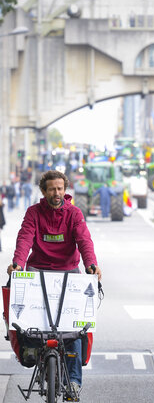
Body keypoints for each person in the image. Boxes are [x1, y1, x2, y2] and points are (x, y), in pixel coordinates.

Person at [7, 170, 102, 399]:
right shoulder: (33, 213)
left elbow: (84, 241)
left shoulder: (74, 214)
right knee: (33, 321)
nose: (56, 193)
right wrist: (18, 264)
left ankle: (74, 382)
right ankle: (32, 352)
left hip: (68, 273)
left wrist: (91, 265)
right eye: (52, 189)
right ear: (44, 191)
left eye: (60, 188)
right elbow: (25, 238)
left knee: (75, 329)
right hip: (38, 272)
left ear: (65, 189)